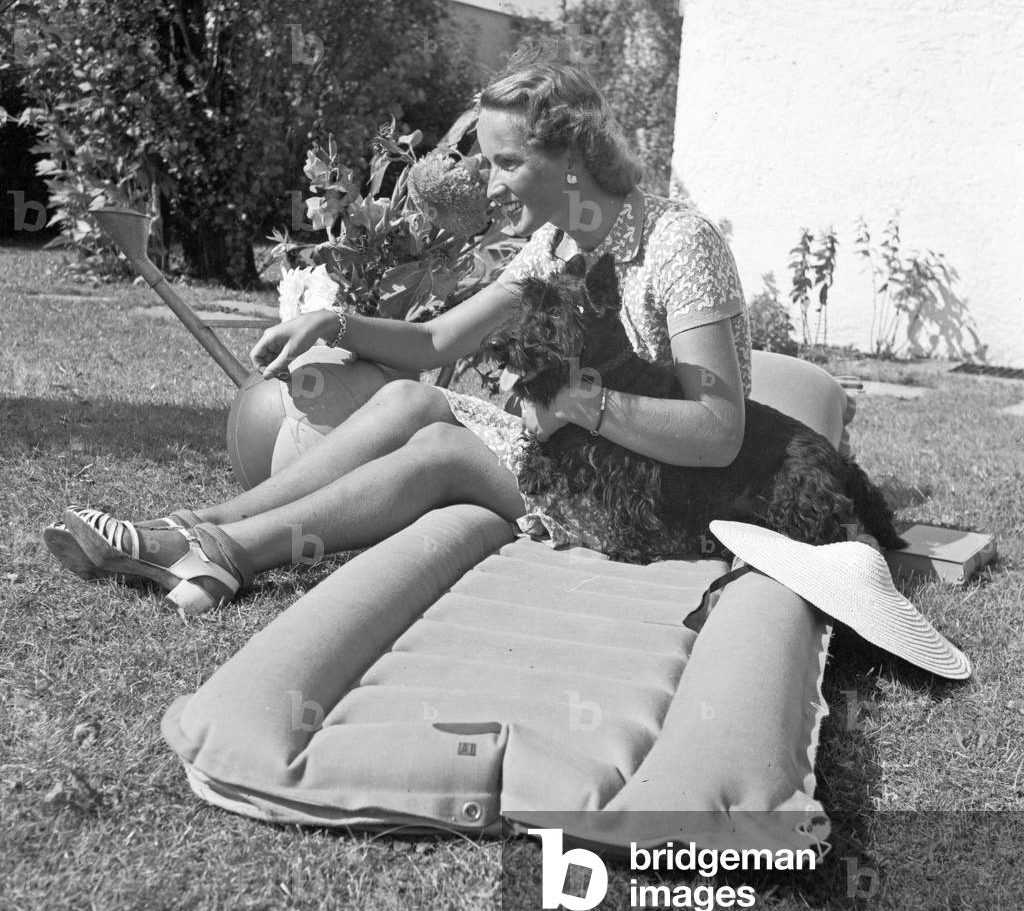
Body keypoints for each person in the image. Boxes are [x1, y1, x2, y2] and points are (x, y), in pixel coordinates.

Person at [44, 42, 752, 613]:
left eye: (508, 163)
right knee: (413, 400)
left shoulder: (677, 242)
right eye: (489, 163)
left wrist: (574, 402)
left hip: (667, 497)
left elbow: (720, 433)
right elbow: (438, 342)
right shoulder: (556, 245)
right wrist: (333, 321)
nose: (491, 185)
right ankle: (196, 525)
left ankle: (227, 556)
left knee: (443, 450)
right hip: (592, 457)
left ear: (573, 156)